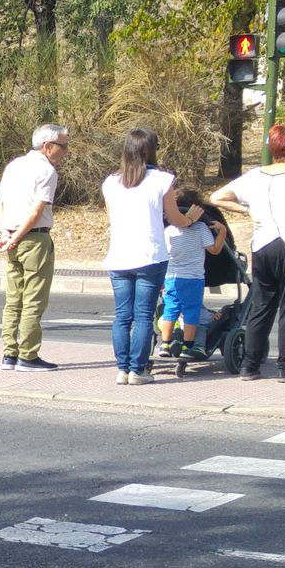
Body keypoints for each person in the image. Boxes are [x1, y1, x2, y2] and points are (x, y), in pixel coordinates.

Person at [211, 121, 285, 381]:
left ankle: (249, 366)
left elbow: (216, 197)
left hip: (262, 246)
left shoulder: (255, 176)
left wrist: (247, 210)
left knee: (261, 306)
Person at [99, 128, 184, 383]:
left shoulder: (110, 182)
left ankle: (122, 369)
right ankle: (138, 369)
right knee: (144, 315)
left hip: (119, 255)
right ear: (151, 150)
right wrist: (191, 219)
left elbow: (111, 216)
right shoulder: (162, 180)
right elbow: (174, 217)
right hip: (150, 253)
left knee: (122, 315)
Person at [0, 124, 68, 371]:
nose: (65, 151)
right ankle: (28, 355)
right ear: (48, 146)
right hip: (34, 239)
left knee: (14, 297)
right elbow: (38, 210)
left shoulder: (14, 165)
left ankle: (9, 354)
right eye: (63, 146)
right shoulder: (47, 170)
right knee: (33, 299)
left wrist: (6, 232)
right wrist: (17, 236)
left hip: (12, 235)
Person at [158, 187, 227, 361]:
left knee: (170, 309)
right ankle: (187, 346)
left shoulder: (169, 231)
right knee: (191, 311)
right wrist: (222, 232)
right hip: (193, 278)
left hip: (171, 277)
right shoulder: (201, 229)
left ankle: (165, 344)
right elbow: (215, 250)